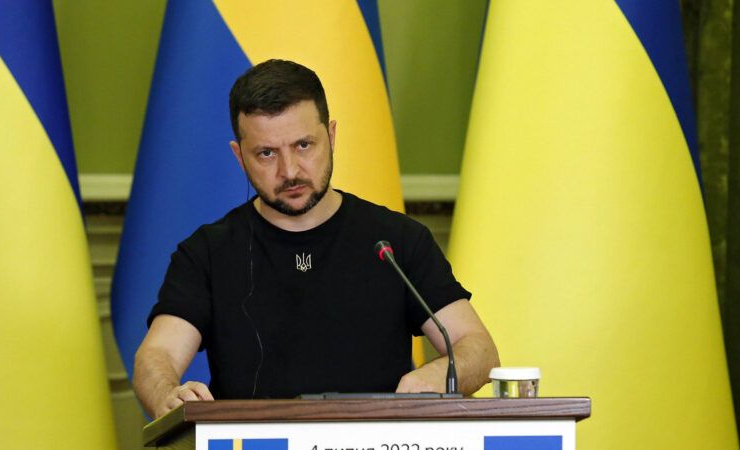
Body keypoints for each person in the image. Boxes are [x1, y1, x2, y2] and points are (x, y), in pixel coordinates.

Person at [133, 59, 500, 418]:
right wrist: (168, 393)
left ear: (332, 136)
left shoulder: (396, 241)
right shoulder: (207, 253)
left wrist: (439, 373)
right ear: (239, 157)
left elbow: (479, 349)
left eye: (304, 145)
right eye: (266, 153)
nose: (289, 170)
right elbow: (157, 355)